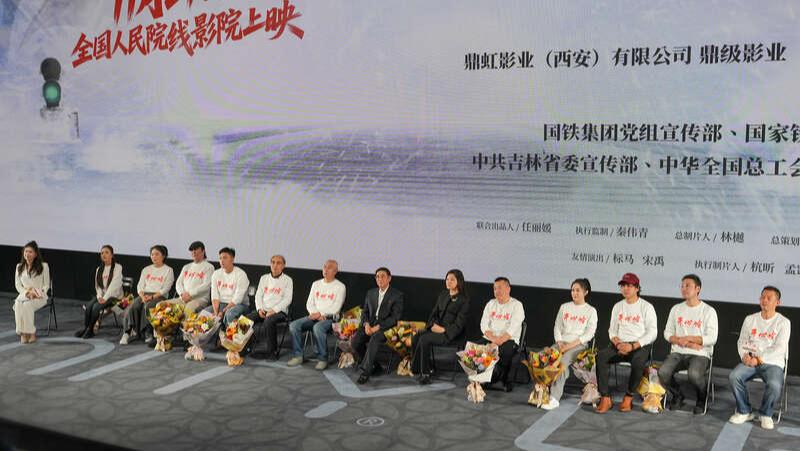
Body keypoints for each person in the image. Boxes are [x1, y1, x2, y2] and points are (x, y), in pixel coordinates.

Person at [728, 286, 791, 430]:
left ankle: (765, 414)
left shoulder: (783, 322)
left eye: (769, 298)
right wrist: (744, 356)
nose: (764, 300)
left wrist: (759, 359)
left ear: (778, 302)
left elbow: (780, 348)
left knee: (774, 384)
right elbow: (742, 341)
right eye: (762, 297)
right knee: (734, 376)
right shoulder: (750, 319)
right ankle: (744, 411)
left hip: (773, 363)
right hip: (750, 361)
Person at [595, 273, 657, 413]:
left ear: (637, 288)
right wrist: (618, 344)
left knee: (638, 362)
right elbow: (612, 330)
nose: (625, 289)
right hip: (619, 344)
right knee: (601, 356)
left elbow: (652, 332)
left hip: (638, 346)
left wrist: (633, 345)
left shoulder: (646, 307)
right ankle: (605, 397)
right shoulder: (618, 306)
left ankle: (628, 396)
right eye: (623, 286)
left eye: (629, 285)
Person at [658, 274, 718, 414]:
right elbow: (667, 333)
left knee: (694, 374)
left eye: (688, 286)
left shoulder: (708, 311)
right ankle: (677, 395)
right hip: (678, 352)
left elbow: (712, 338)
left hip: (700, 354)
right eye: (682, 286)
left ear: (698, 289)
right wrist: (680, 341)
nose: (684, 288)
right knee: (663, 373)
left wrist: (690, 339)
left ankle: (702, 399)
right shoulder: (676, 309)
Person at [545, 278, 598, 410]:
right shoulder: (564, 307)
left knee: (562, 363)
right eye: (573, 290)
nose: (574, 293)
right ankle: (542, 391)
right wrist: (559, 342)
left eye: (578, 290)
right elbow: (557, 326)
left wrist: (569, 346)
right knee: (544, 356)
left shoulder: (591, 311)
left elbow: (589, 334)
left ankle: (554, 398)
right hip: (561, 343)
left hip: (579, 345)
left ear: (585, 292)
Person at [411, 269, 470, 385]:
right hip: (437, 329)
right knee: (416, 336)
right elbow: (434, 314)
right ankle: (422, 367)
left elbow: (460, 324)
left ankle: (425, 374)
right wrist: (432, 325)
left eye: (452, 279)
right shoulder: (443, 295)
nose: (448, 282)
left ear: (459, 281)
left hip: (451, 334)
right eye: (447, 279)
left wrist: (444, 330)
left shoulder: (464, 300)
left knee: (424, 339)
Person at [287, 260, 346, 370]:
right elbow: (309, 303)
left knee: (318, 327)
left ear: (335, 271)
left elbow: (336, 307)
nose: (325, 269)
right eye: (324, 267)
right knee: (294, 325)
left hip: (331, 318)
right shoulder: (316, 284)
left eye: (329, 267)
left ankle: (323, 359)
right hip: (314, 315)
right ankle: (298, 356)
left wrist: (320, 314)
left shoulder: (340, 286)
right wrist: (315, 314)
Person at [352, 267, 404, 384]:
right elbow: (365, 312)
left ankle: (365, 372)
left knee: (375, 338)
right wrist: (366, 325)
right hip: (370, 324)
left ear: (389, 278)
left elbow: (394, 318)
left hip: (386, 327)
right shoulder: (371, 293)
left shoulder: (397, 295)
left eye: (383, 276)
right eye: (377, 277)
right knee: (355, 342)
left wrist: (378, 327)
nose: (379, 279)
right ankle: (374, 365)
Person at [120, 245, 174, 345]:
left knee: (148, 306)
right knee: (133, 305)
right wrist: (142, 296)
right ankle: (127, 333)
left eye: (157, 254)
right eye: (152, 254)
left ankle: (148, 332)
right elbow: (140, 285)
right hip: (144, 294)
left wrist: (152, 297)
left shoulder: (168, 270)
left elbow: (166, 288)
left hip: (159, 296)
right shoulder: (146, 269)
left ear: (163, 256)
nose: (154, 256)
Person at [479, 277, 525, 392]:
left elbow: (512, 329)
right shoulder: (491, 304)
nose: (497, 291)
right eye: (495, 288)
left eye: (500, 288)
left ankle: (496, 377)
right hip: (491, 338)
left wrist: (497, 343)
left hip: (508, 340)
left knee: (497, 352)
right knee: (474, 350)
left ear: (508, 289)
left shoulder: (517, 305)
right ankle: (482, 377)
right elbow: (483, 325)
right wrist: (493, 339)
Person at [245, 255, 293, 357]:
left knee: (269, 320)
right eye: (273, 262)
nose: (275, 265)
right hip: (263, 310)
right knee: (245, 319)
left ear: (283, 266)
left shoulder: (288, 280)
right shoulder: (264, 278)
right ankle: (244, 348)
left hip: (279, 311)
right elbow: (258, 295)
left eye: (278, 263)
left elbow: (287, 299)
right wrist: (259, 309)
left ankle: (272, 351)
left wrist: (274, 310)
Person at [75, 245, 123, 339]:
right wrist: (100, 296)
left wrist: (105, 298)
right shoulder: (99, 269)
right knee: (89, 306)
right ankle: (86, 328)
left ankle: (90, 330)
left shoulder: (118, 267)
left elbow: (114, 285)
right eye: (102, 253)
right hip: (103, 296)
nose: (104, 255)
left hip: (115, 297)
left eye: (106, 252)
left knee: (96, 307)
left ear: (112, 255)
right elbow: (98, 286)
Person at [13, 241, 50, 344]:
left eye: (30, 252)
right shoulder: (19, 267)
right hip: (25, 295)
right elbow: (18, 285)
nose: (27, 254)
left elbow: (46, 285)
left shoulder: (44, 266)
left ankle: (30, 332)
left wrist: (37, 293)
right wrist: (27, 293)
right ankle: (23, 333)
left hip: (39, 296)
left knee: (26, 305)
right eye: (26, 251)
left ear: (35, 254)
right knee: (18, 303)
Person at [204, 247, 250, 328]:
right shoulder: (216, 274)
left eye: (225, 258)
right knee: (205, 314)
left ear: (232, 259)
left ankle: (234, 336)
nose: (222, 261)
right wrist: (216, 313)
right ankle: (213, 336)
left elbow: (237, 299)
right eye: (220, 258)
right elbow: (215, 296)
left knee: (230, 314)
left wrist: (222, 312)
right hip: (221, 304)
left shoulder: (241, 274)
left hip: (239, 305)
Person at [168, 241, 214, 314]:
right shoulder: (186, 267)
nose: (193, 252)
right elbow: (178, 283)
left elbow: (206, 285)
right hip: (183, 298)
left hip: (199, 299)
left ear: (203, 251)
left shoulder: (209, 267)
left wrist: (190, 294)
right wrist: (182, 294)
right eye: (192, 250)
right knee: (161, 305)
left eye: (196, 249)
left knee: (187, 310)